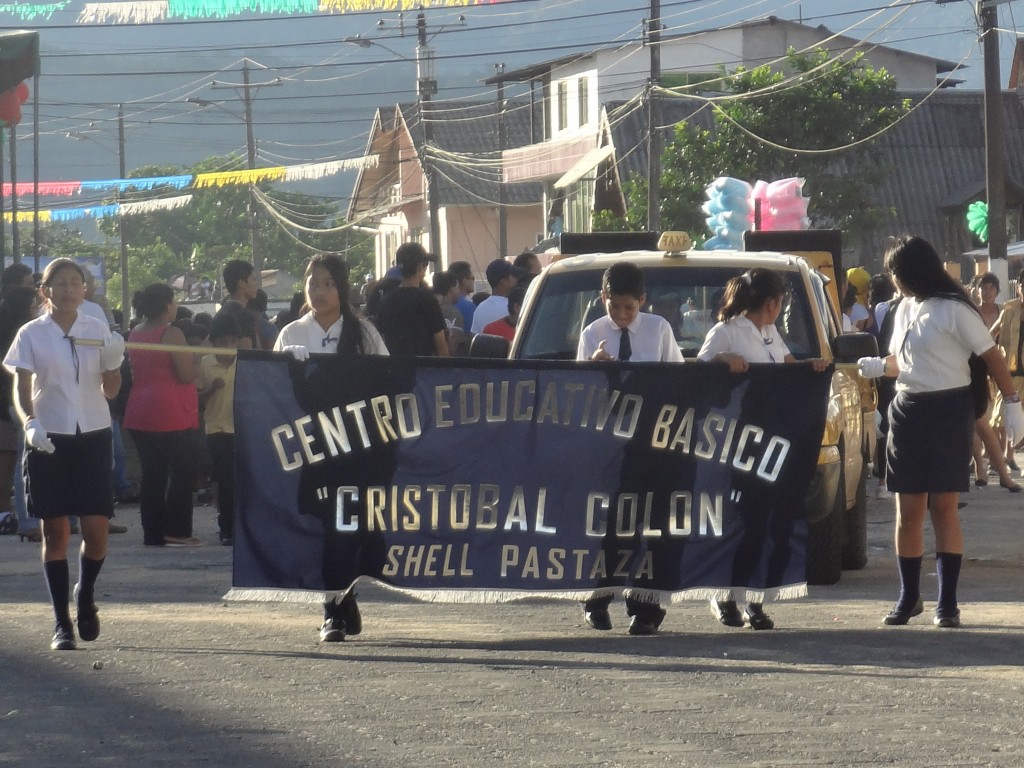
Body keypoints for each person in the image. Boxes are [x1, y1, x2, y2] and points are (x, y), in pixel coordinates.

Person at [857, 236, 1024, 629]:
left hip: (949, 410)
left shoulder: (954, 309)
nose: (893, 281)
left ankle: (947, 604)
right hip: (908, 410)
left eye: (895, 273)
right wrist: (880, 366)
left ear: (911, 271)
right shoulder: (904, 309)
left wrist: (1012, 402)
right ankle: (908, 597)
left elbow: (991, 356)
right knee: (908, 510)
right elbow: (903, 361)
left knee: (943, 508)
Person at [2, 258, 124, 650]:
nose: (69, 289)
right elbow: (21, 387)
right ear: (45, 290)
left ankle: (85, 593)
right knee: (55, 531)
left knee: (96, 529)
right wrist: (29, 422)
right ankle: (61, 623)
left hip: (92, 433)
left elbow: (110, 390)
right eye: (61, 283)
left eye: (76, 282)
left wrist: (114, 363)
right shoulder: (31, 333)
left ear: (85, 290)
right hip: (49, 436)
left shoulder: (97, 328)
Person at [698, 268, 829, 631]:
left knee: (767, 521)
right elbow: (698, 372)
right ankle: (726, 593)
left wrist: (812, 367)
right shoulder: (726, 331)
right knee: (744, 521)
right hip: (739, 440)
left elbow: (787, 368)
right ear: (772, 302)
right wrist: (723, 360)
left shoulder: (771, 332)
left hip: (775, 441)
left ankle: (754, 598)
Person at [274, 252, 389, 643]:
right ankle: (333, 608)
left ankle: (342, 599)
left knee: (353, 529)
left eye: (328, 283)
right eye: (313, 283)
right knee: (329, 527)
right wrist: (290, 368)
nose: (319, 291)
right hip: (315, 448)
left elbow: (387, 383)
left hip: (359, 448)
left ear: (342, 288)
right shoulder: (292, 333)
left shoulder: (365, 333)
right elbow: (271, 390)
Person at [576, 261, 682, 635]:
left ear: (642, 300)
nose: (621, 314)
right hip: (609, 447)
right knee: (612, 525)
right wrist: (595, 368)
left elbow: (679, 380)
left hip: (653, 444)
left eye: (629, 307)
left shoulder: (659, 329)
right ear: (602, 299)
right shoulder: (592, 333)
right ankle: (597, 600)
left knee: (654, 525)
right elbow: (576, 392)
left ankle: (646, 608)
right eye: (614, 306)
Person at [124, 283, 201, 547]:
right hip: (170, 412)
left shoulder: (136, 332)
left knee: (152, 475)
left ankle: (153, 532)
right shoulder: (172, 333)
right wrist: (198, 360)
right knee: (183, 471)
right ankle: (178, 530)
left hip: (139, 410)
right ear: (167, 305)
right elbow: (186, 375)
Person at [196, 311, 242, 546]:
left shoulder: (244, 362)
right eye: (224, 342)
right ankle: (227, 527)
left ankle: (239, 525)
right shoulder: (205, 364)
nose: (229, 347)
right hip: (215, 429)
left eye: (233, 341)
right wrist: (211, 389)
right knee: (224, 479)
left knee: (239, 480)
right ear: (214, 342)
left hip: (241, 429)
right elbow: (196, 400)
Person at [0, 286, 40, 540]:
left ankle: (20, 518)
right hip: (22, 402)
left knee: (16, 461)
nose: (38, 310)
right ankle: (29, 521)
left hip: (8, 405)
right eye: (34, 306)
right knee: (25, 462)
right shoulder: (26, 333)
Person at [376, 243, 449, 357]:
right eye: (425, 265)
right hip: (423, 366)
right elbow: (441, 346)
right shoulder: (427, 300)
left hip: (394, 365)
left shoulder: (385, 300)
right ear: (419, 267)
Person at [222, 259, 275, 350]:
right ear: (241, 284)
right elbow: (247, 354)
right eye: (253, 279)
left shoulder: (223, 311)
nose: (256, 284)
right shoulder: (243, 316)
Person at [471, 259, 526, 334]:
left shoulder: (480, 309)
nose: (516, 279)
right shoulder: (512, 308)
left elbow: (474, 336)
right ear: (503, 281)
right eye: (513, 276)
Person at [447, 261, 477, 332]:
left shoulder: (442, 305)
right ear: (464, 280)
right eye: (472, 278)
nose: (474, 281)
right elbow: (472, 334)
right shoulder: (469, 307)